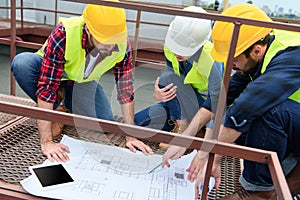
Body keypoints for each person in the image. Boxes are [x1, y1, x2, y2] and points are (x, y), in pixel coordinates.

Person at [162, 3, 300, 199]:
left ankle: (260, 191)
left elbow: (245, 108)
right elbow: (222, 96)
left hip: (290, 120)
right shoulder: (259, 51)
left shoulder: (292, 55)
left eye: (233, 60)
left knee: (266, 112)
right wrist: (185, 139)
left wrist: (208, 157)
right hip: (294, 123)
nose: (230, 65)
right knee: (236, 128)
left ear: (257, 51)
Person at [11, 2, 153, 162]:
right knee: (22, 64)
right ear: (88, 29)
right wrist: (47, 142)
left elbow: (125, 89)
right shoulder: (64, 33)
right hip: (51, 74)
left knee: (104, 124)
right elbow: (46, 88)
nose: (110, 46)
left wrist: (130, 135)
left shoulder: (121, 42)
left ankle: (68, 102)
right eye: (103, 41)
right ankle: (57, 108)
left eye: (113, 40)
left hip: (82, 82)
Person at [134, 6, 223, 149]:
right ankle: (190, 129)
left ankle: (182, 131)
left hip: (204, 110)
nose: (178, 52)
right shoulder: (170, 47)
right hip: (182, 106)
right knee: (138, 122)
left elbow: (217, 103)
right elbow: (176, 88)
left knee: (167, 78)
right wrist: (159, 95)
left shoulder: (212, 59)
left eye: (184, 49)